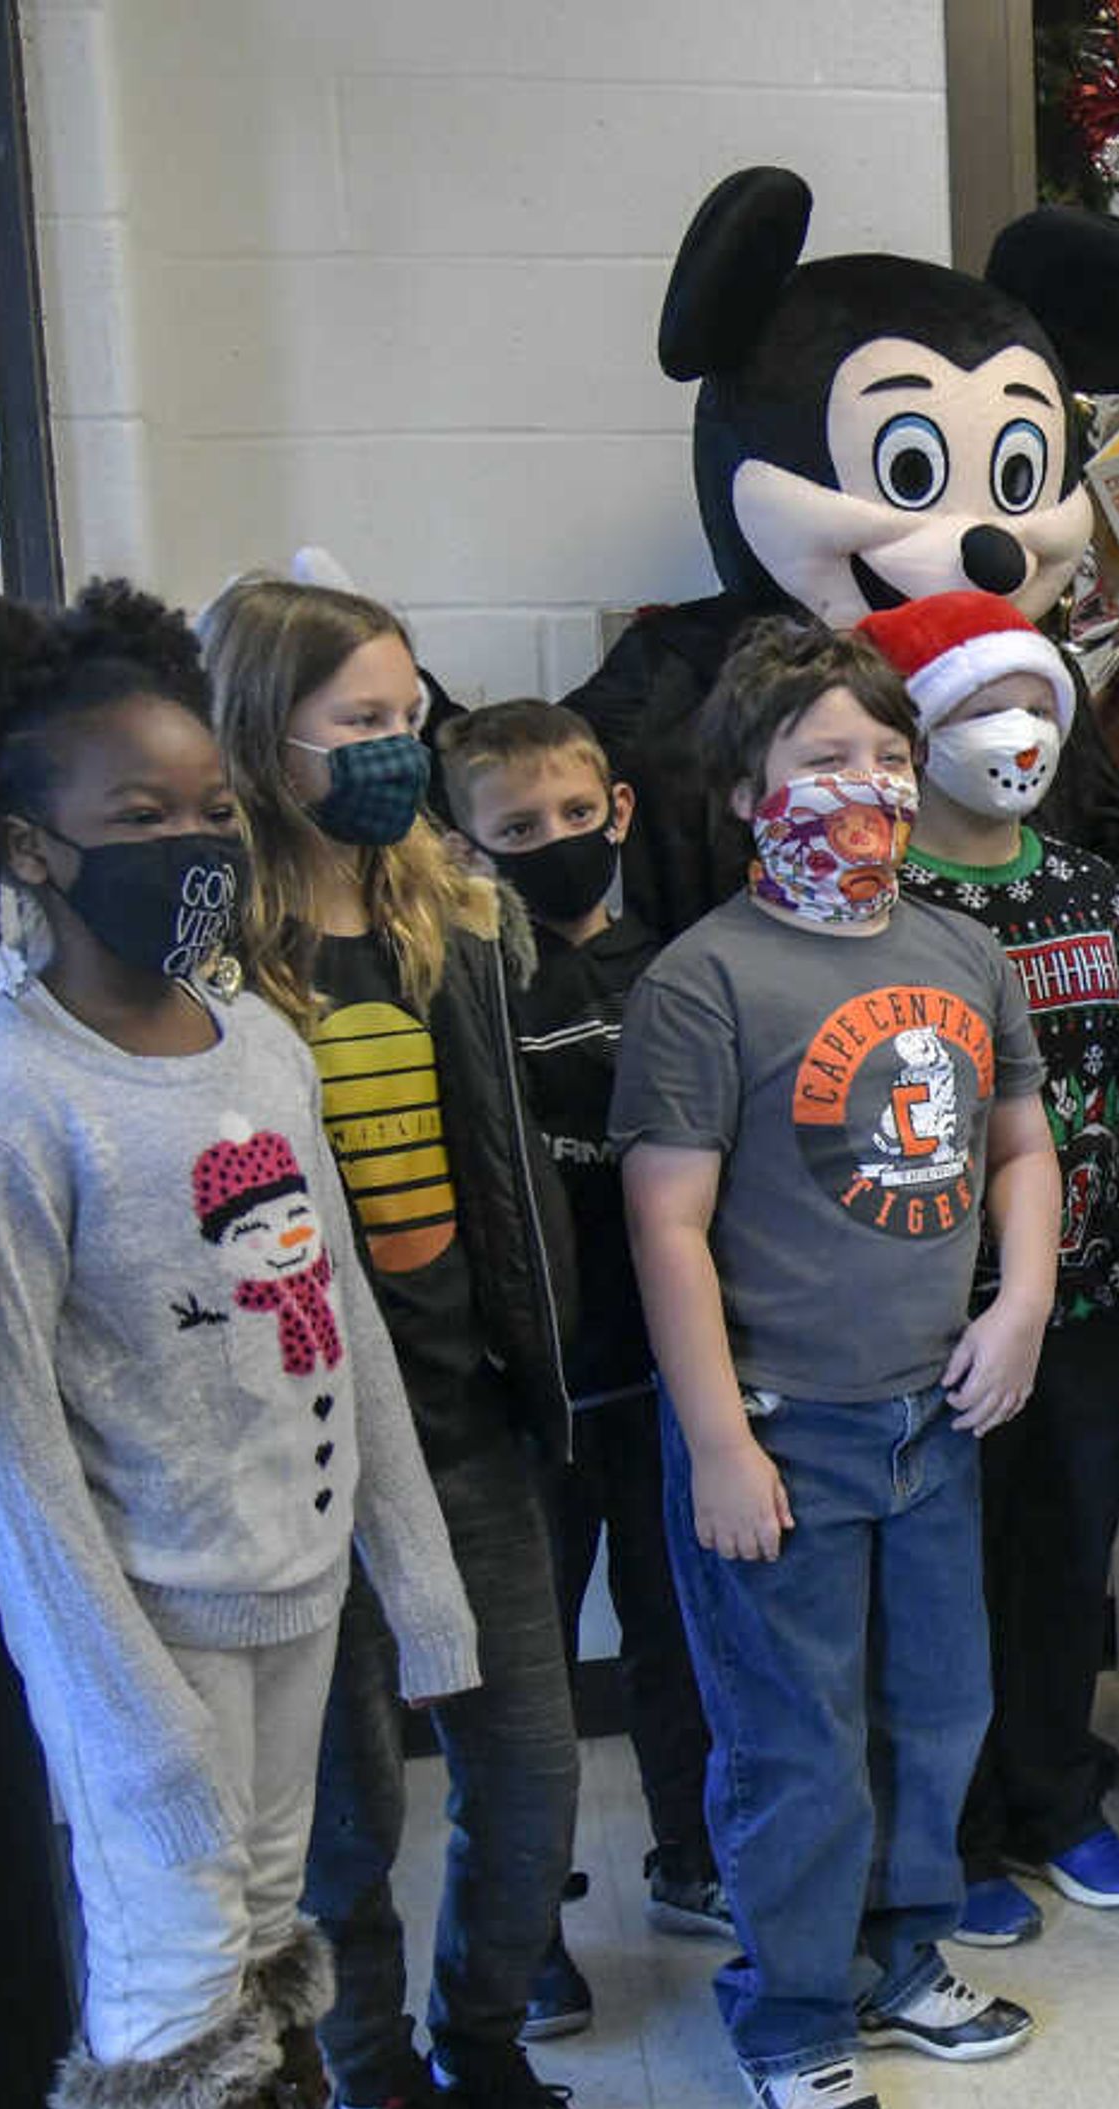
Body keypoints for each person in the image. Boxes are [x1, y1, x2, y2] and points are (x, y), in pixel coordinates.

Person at [0, 583, 483, 2109]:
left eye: (204, 814)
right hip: (146, 1627)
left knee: (266, 1930)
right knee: (171, 1975)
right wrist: (122, 1702)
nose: (188, 851)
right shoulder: (1, 1105)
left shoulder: (255, 1044)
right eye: (134, 824)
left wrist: (416, 1577)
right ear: (28, 850)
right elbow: (1, 1438)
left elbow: (340, 1328)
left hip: (292, 1582)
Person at [611, 622, 1055, 2109]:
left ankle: (892, 1950)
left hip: (933, 1420)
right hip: (783, 1435)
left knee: (937, 1709)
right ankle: (792, 2008)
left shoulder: (962, 953)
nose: (861, 784)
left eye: (881, 754)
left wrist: (1026, 1302)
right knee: (796, 1739)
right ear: (748, 791)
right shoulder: (702, 982)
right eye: (821, 760)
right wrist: (719, 1438)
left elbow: (1019, 1144)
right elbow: (664, 1222)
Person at [207, 577, 603, 2109]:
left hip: (464, 1413)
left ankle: (485, 2044)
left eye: (404, 717)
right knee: (353, 1808)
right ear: (263, 734)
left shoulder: (456, 910)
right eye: (356, 725)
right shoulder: (218, 946)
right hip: (308, 1455)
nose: (394, 752)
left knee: (528, 1762)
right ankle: (373, 2087)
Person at [857, 592, 1119, 1934]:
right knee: (941, 1579)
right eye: (987, 707)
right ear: (920, 730)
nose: (1018, 732)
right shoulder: (879, 900)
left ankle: (1060, 1795)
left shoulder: (1090, 889)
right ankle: (957, 1833)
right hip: (928, 1312)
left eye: (1038, 703)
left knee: (1065, 1556)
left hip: (1084, 1297)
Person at [434, 701, 734, 1961]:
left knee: (679, 1635)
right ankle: (522, 1918)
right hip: (530, 1390)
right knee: (526, 1669)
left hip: (670, 1379)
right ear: (461, 843)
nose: (552, 843)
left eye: (573, 815)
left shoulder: (683, 965)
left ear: (617, 812)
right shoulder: (461, 984)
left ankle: (690, 1852)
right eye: (514, 829)